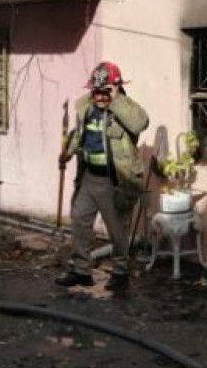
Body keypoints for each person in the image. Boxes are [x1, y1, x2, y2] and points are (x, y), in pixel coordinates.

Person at [56, 61, 149, 290]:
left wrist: (115, 98)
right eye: (95, 90)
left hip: (115, 180)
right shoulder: (85, 108)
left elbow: (140, 123)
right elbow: (78, 135)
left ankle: (120, 272)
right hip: (88, 177)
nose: (98, 95)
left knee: (117, 230)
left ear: (115, 88)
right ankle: (81, 270)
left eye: (104, 90)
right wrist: (67, 152)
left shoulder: (125, 110)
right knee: (79, 219)